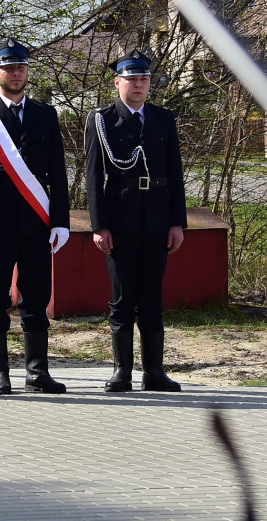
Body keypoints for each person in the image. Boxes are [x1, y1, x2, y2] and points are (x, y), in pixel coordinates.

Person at [0, 38, 71, 394]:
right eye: (8, 68)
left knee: (36, 296)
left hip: (37, 223)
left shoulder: (45, 113)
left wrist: (60, 220)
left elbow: (57, 170)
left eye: (21, 67)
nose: (15, 73)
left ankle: (37, 371)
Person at [84, 49, 187, 392]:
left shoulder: (163, 118)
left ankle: (154, 372)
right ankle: (122, 372)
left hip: (157, 218)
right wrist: (99, 225)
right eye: (132, 79)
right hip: (121, 219)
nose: (139, 85)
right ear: (118, 83)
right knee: (122, 298)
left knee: (153, 297)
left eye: (144, 79)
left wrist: (177, 222)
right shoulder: (101, 119)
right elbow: (93, 176)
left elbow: (175, 172)